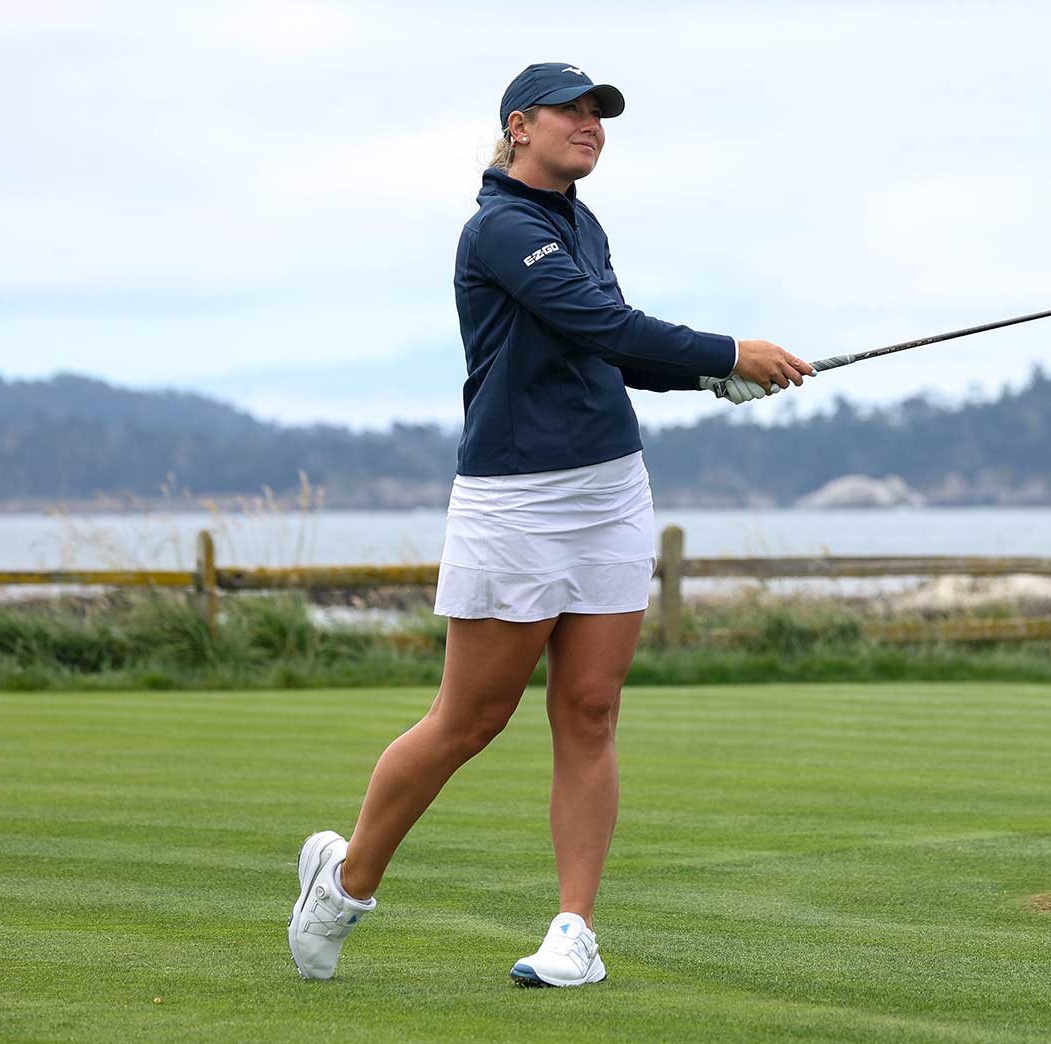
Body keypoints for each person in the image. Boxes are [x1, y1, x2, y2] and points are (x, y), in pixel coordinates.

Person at [286, 61, 813, 987]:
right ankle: (345, 880)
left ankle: (574, 930)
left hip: (610, 490)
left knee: (590, 710)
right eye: (572, 111)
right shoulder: (499, 229)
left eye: (599, 113)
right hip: (516, 500)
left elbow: (606, 344)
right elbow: (598, 321)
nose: (591, 124)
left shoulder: (581, 223)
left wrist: (710, 376)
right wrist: (731, 349)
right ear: (518, 126)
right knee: (471, 718)